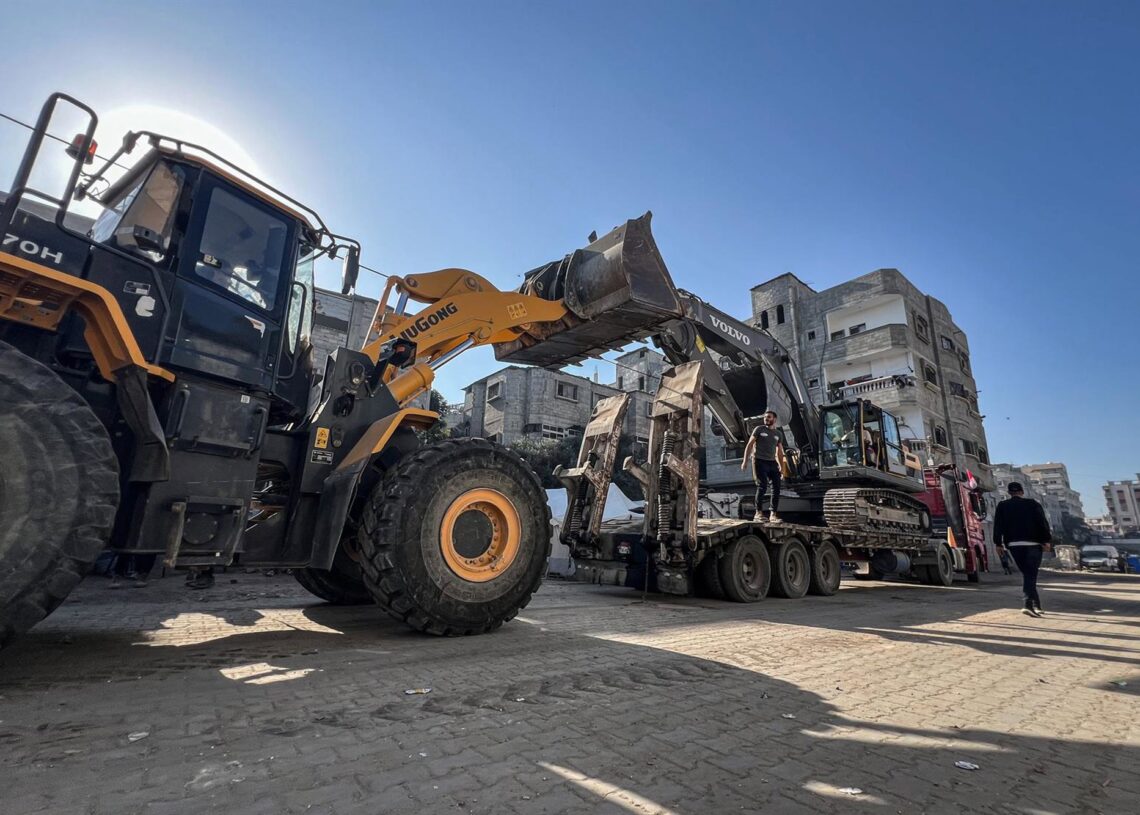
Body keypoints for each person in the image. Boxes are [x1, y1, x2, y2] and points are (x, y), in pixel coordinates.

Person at [992, 482, 1052, 617]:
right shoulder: (1033, 504)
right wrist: (1046, 540)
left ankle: (1037, 605)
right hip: (1033, 544)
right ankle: (1027, 604)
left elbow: (998, 525)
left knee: (1028, 575)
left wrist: (998, 544)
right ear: (1022, 492)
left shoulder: (1003, 506)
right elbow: (1042, 522)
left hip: (1014, 545)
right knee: (1031, 574)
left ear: (1009, 493)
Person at [741, 410, 784, 523]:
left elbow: (779, 452)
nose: (766, 419)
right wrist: (745, 461)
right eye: (765, 417)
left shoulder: (778, 434)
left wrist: (782, 467)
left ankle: (773, 515)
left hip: (772, 462)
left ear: (774, 419)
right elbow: (749, 445)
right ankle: (758, 513)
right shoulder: (759, 429)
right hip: (759, 461)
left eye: (769, 417)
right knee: (762, 486)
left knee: (777, 488)